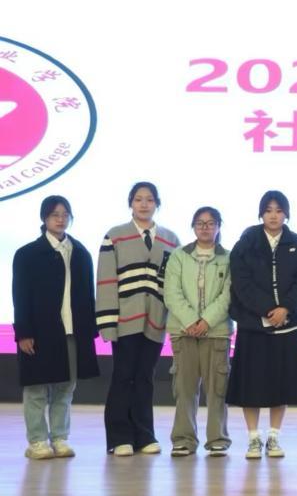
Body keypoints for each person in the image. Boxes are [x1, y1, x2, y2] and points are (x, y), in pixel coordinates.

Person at [226, 190, 297, 461]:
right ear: (261, 213)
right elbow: (241, 282)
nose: (273, 216)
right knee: (250, 384)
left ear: (286, 213)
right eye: (268, 210)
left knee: (281, 383)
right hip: (253, 324)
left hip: (287, 324)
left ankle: (274, 436)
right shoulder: (247, 241)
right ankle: (253, 438)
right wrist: (267, 310)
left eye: (278, 210)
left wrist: (285, 308)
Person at [96, 181, 180, 456]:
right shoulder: (115, 236)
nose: (144, 204)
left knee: (145, 378)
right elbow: (106, 281)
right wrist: (107, 323)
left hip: (155, 321)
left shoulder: (170, 239)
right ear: (130, 203)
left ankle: (144, 435)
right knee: (123, 376)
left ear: (157, 204)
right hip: (125, 320)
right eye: (138, 199)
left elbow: (174, 283)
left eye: (149, 199)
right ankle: (119, 437)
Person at [13, 195, 99, 460]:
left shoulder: (80, 252)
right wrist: (23, 332)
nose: (60, 220)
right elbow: (20, 295)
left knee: (65, 388)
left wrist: (90, 330)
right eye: (54, 215)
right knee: (37, 388)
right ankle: (37, 441)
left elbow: (88, 295)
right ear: (44, 218)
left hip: (73, 331)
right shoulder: (27, 254)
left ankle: (60, 437)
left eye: (65, 215)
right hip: (39, 332)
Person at [163, 206, 233, 457]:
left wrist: (206, 321)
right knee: (184, 389)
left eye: (211, 223)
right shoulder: (178, 256)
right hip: (184, 332)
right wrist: (192, 321)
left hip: (217, 332)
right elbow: (171, 292)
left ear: (218, 227)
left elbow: (228, 295)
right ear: (193, 226)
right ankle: (183, 439)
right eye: (200, 223)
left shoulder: (229, 258)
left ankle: (217, 439)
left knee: (217, 389)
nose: (205, 227)